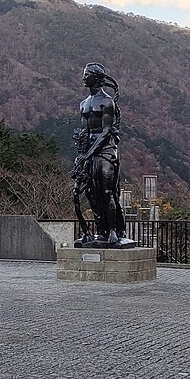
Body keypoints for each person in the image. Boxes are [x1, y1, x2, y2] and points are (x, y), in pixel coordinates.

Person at [72, 63, 132, 247]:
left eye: (87, 74)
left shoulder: (107, 102)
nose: (83, 78)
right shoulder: (84, 103)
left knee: (107, 191)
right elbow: (85, 132)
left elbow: (106, 131)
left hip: (106, 151)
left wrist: (89, 153)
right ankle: (100, 230)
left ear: (96, 78)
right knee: (91, 192)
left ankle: (113, 230)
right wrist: (82, 154)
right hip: (89, 151)